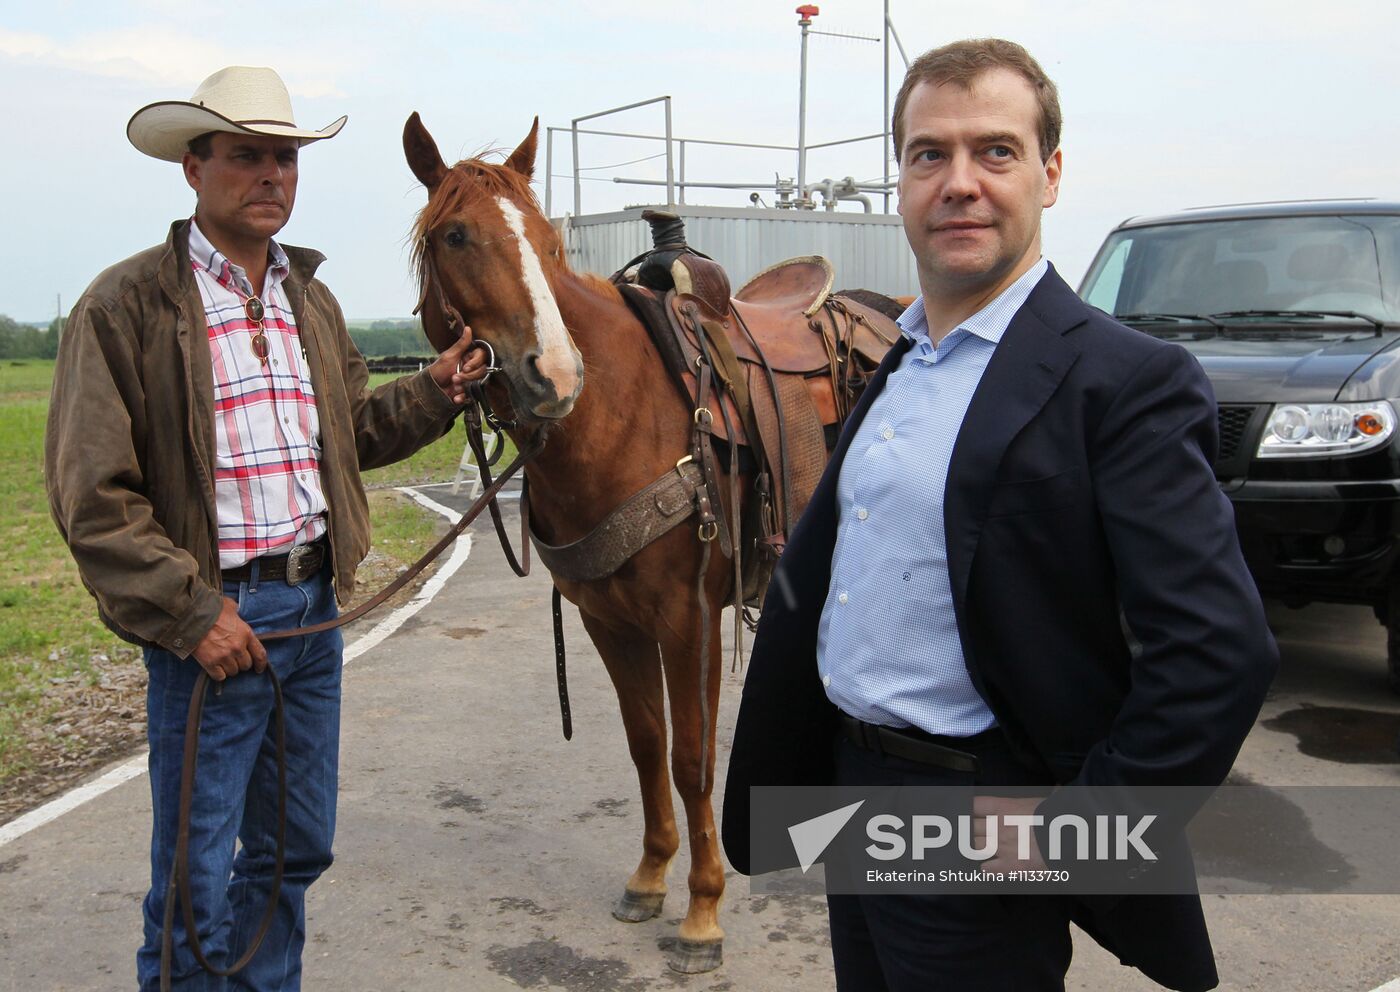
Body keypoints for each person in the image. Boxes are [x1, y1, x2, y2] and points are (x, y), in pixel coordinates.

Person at [721, 38, 1279, 991]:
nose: (959, 183)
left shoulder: (1123, 381)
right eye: (929, 154)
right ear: (899, 179)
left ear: (1050, 175)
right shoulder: (900, 364)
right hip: (857, 796)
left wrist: (1074, 841)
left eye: (996, 151)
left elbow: (1218, 654)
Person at [45, 66, 486, 990]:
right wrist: (192, 614)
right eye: (245, 156)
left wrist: (438, 391)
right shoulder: (123, 306)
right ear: (194, 169)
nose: (270, 176)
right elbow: (94, 497)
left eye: (283, 158)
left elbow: (351, 434)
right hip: (217, 627)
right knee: (194, 883)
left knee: (294, 854)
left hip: (311, 614)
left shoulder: (308, 301)